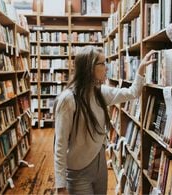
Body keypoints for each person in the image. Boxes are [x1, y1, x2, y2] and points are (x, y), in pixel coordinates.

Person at [54, 46, 155, 194]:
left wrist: (140, 70)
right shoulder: (68, 100)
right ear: (89, 68)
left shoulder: (100, 92)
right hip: (78, 171)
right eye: (102, 64)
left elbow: (132, 93)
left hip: (100, 164)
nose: (107, 68)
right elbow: (60, 144)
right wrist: (60, 185)